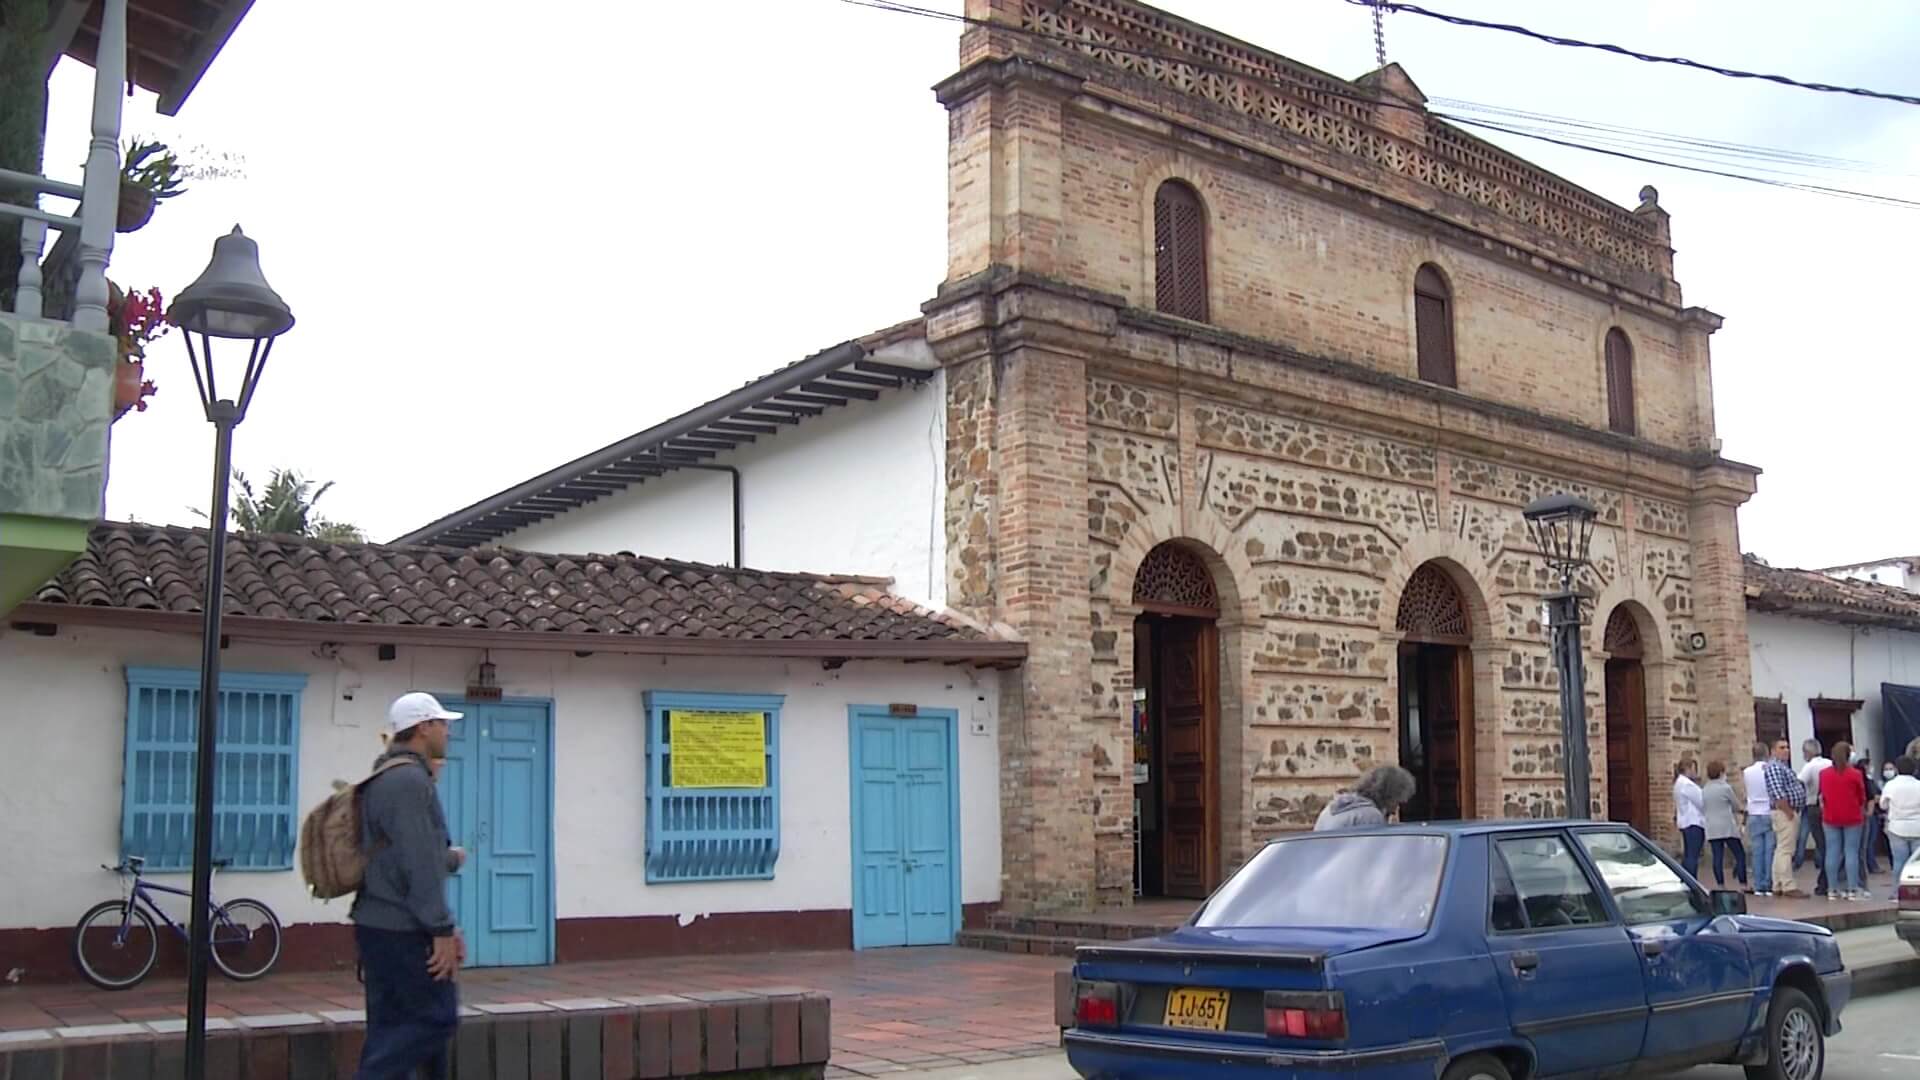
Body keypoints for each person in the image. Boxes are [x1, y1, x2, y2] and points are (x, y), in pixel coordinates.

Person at [353, 692, 466, 1080]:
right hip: (402, 927)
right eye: (442, 723)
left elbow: (405, 852)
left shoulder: (384, 774)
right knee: (436, 1019)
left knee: (391, 1027)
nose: (447, 732)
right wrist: (441, 929)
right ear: (423, 728)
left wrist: (447, 859)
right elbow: (419, 864)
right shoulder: (408, 782)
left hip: (378, 921)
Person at [1817, 740, 1867, 901]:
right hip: (1852, 816)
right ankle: (1853, 888)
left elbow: (1823, 795)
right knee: (1851, 851)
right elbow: (1861, 796)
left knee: (1832, 852)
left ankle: (1832, 889)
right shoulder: (1855, 774)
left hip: (1830, 816)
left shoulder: (1824, 774)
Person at [1763, 739, 1808, 898]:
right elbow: (1777, 793)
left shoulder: (1782, 767)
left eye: (1787, 747)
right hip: (1784, 812)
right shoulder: (1774, 767)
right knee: (1786, 850)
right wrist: (1788, 811)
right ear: (1773, 751)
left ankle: (1778, 883)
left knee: (1781, 848)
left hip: (1786, 811)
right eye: (1781, 747)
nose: (1786, 750)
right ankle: (1788, 885)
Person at [1314, 766, 1417, 830]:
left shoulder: (1332, 808)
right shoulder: (1370, 815)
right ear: (1388, 795)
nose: (1395, 810)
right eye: (1397, 802)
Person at [1794, 740, 1833, 896]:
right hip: (1830, 805)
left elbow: (1800, 783)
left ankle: (1824, 882)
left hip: (1814, 806)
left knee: (1821, 844)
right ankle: (1832, 879)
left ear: (1807, 752)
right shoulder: (1830, 763)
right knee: (1831, 844)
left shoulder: (1809, 766)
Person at [1701, 761, 1746, 889]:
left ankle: (1720, 885)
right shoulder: (1725, 788)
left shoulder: (1705, 789)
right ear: (1721, 773)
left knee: (1717, 857)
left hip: (1712, 827)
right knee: (1739, 854)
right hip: (1727, 826)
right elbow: (1736, 805)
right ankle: (1743, 884)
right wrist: (1742, 810)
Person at [1882, 756, 1920, 894]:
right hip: (1917, 828)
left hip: (1897, 827)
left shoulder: (1890, 785)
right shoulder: (1918, 785)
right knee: (1916, 864)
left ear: (1897, 769)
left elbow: (1883, 804)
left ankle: (1897, 893)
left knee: (1899, 861)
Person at [1742, 743, 1775, 896]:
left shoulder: (1747, 772)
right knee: (1769, 850)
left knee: (1757, 850)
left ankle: (1757, 884)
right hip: (1768, 810)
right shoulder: (1770, 769)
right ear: (1767, 753)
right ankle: (1768, 883)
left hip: (1754, 811)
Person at [1673, 759, 1706, 879]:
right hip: (1693, 822)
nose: (1695, 772)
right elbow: (1702, 801)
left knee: (1688, 854)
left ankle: (1686, 879)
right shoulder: (1687, 784)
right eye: (1693, 768)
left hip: (1685, 821)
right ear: (1687, 769)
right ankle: (1691, 881)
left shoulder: (1678, 783)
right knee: (1693, 855)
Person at [1860, 750, 1885, 875]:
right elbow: (1872, 796)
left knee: (1870, 841)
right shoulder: (1867, 781)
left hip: (1873, 813)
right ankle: (1872, 865)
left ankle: (1871, 864)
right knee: (1870, 841)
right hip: (1870, 813)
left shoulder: (1870, 780)